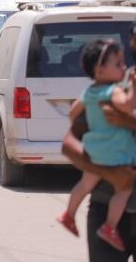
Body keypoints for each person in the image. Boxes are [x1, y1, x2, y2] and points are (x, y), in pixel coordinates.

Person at [62, 24, 136, 261]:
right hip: (107, 208)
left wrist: (128, 121)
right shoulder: (113, 87)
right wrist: (104, 169)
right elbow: (69, 143)